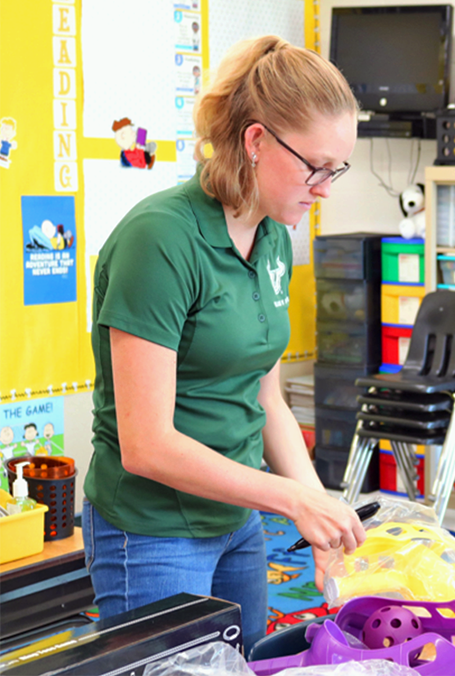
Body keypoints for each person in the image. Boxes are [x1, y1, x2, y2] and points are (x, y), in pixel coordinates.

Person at [83, 35, 362, 651]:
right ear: (256, 141)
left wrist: (317, 510)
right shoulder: (159, 239)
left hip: (237, 519)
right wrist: (291, 499)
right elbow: (146, 445)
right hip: (152, 529)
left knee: (245, 663)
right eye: (316, 166)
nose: (324, 188)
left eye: (336, 169)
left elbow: (266, 398)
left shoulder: (272, 235)